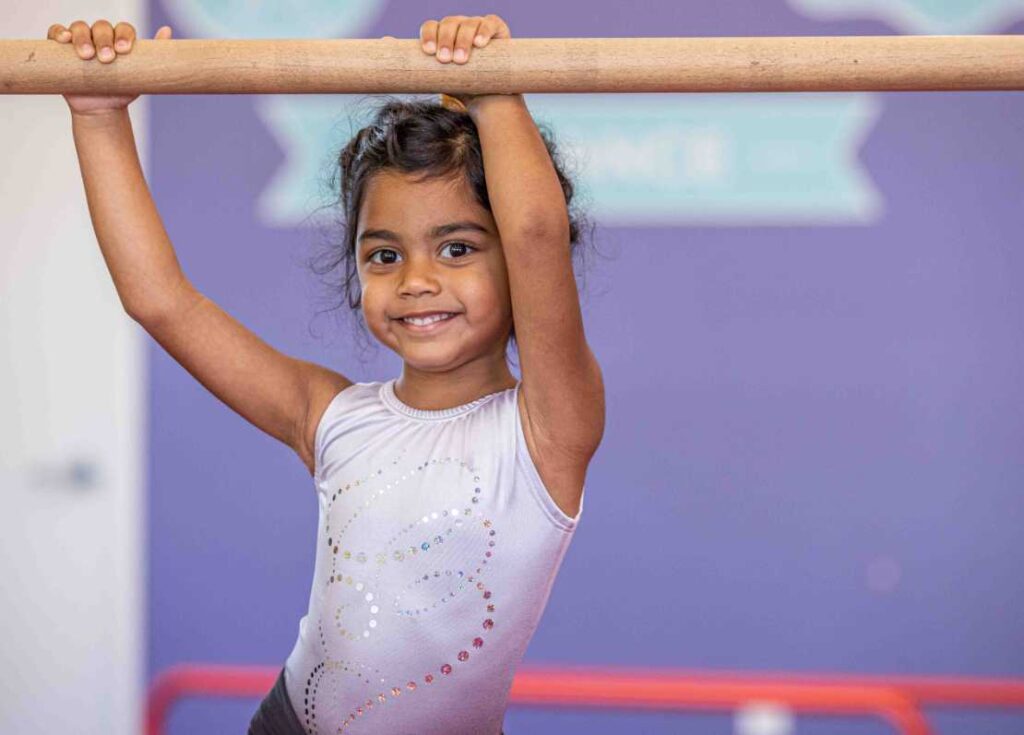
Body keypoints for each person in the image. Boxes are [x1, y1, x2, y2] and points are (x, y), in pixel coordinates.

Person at [48, 12, 605, 734]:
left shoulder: (549, 430)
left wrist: (496, 91)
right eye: (383, 255)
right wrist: (97, 119)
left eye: (458, 248)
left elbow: (536, 233)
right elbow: (160, 301)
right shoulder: (334, 416)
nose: (416, 280)